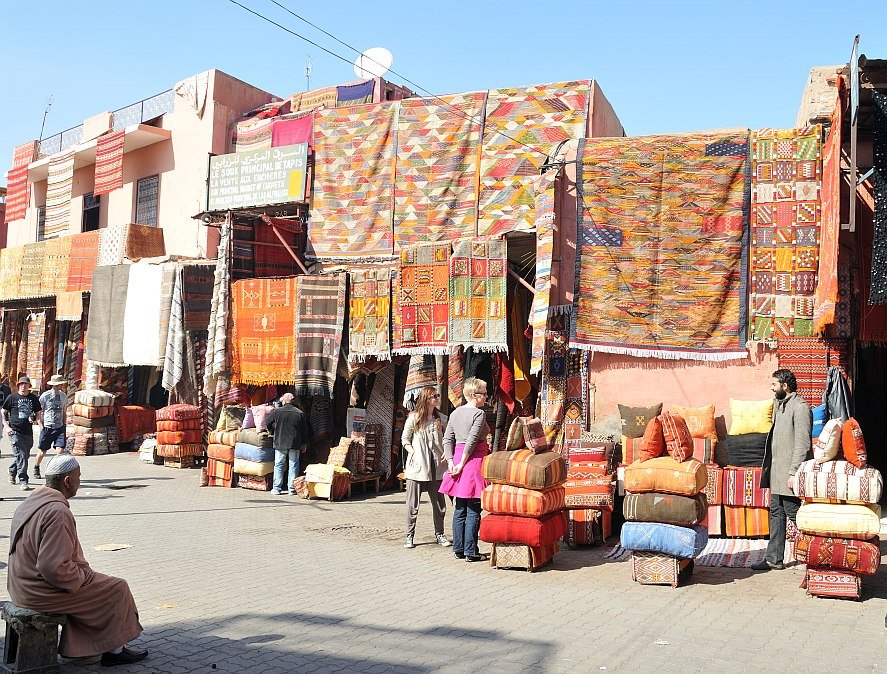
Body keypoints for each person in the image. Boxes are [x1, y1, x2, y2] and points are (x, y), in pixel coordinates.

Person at [7, 454, 147, 666]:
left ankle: (87, 648)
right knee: (117, 588)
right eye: (78, 477)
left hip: (20, 586)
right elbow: (53, 568)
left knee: (99, 585)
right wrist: (82, 578)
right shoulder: (57, 512)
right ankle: (114, 651)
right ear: (67, 481)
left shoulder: (31, 501)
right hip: (38, 593)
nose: (80, 482)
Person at [752, 369, 813, 571]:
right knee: (776, 514)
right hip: (776, 472)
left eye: (774, 384)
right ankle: (773, 559)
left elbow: (803, 444)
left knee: (795, 514)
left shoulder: (800, 407)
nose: (772, 388)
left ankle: (819, 551)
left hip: (789, 473)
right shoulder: (779, 405)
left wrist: (794, 472)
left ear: (785, 386)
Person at [439, 377, 491, 562]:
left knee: (460, 508)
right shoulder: (479, 414)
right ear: (475, 395)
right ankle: (471, 551)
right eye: (484, 393)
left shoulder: (455, 413)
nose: (486, 396)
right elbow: (472, 440)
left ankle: (459, 549)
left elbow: (447, 439)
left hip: (458, 461)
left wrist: (451, 462)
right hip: (472, 461)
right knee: (473, 509)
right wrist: (461, 463)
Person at [402, 386, 450, 549]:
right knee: (412, 504)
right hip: (417, 467)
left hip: (437, 467)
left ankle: (440, 534)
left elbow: (449, 438)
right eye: (434, 396)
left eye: (437, 395)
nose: (437, 398)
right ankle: (409, 535)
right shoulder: (414, 417)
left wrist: (447, 452)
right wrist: (413, 453)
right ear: (426, 399)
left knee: (439, 505)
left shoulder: (441, 418)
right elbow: (405, 439)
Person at [266, 393, 312, 495]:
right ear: (293, 401)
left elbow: (267, 422)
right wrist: (304, 443)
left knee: (279, 465)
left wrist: (271, 430)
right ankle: (292, 489)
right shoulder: (299, 413)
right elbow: (305, 430)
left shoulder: (277, 411)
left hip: (280, 442)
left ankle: (276, 489)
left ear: (284, 401)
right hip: (295, 443)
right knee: (293, 465)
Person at [3, 375, 42, 491]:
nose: (23, 386)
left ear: (29, 386)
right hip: (15, 431)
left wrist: (39, 424)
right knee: (22, 456)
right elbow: (3, 412)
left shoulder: (33, 398)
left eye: (26, 384)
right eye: (21, 384)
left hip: (28, 432)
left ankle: (12, 471)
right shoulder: (12, 397)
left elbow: (38, 413)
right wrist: (6, 427)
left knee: (25, 455)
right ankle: (23, 480)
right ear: (18, 386)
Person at [34, 374, 69, 480]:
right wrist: (41, 426)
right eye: (58, 384)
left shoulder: (63, 396)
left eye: (61, 384)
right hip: (47, 427)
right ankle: (36, 466)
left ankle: (57, 471)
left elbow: (64, 411)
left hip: (59, 427)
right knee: (42, 452)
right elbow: (38, 411)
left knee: (60, 451)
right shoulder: (45, 396)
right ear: (54, 385)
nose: (60, 386)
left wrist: (64, 424)